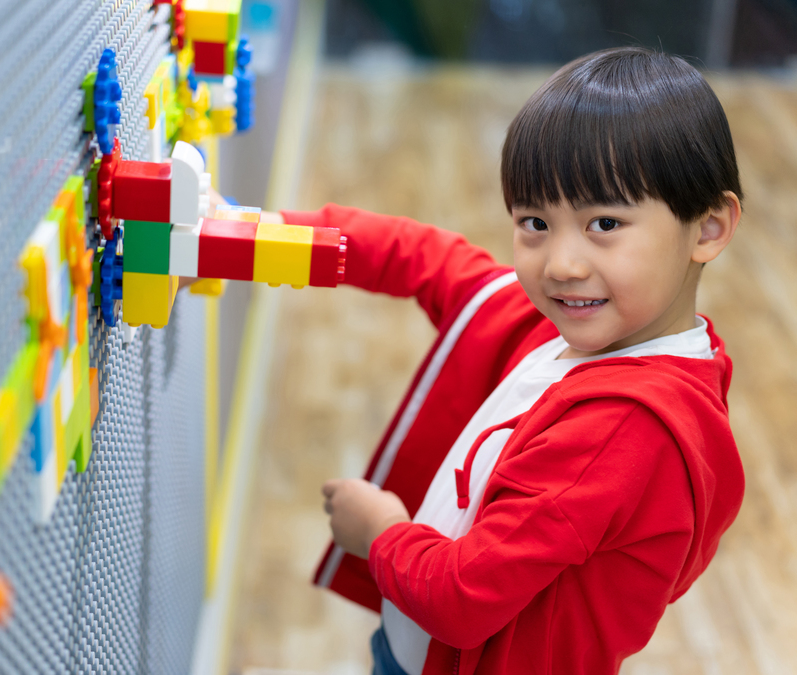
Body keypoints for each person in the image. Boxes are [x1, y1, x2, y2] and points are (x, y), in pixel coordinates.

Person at [270, 47, 746, 675]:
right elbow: (417, 255)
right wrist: (259, 236)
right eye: (534, 222)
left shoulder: (621, 432)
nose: (561, 264)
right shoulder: (570, 329)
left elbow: (460, 598)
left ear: (708, 229)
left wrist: (381, 531)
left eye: (604, 222)